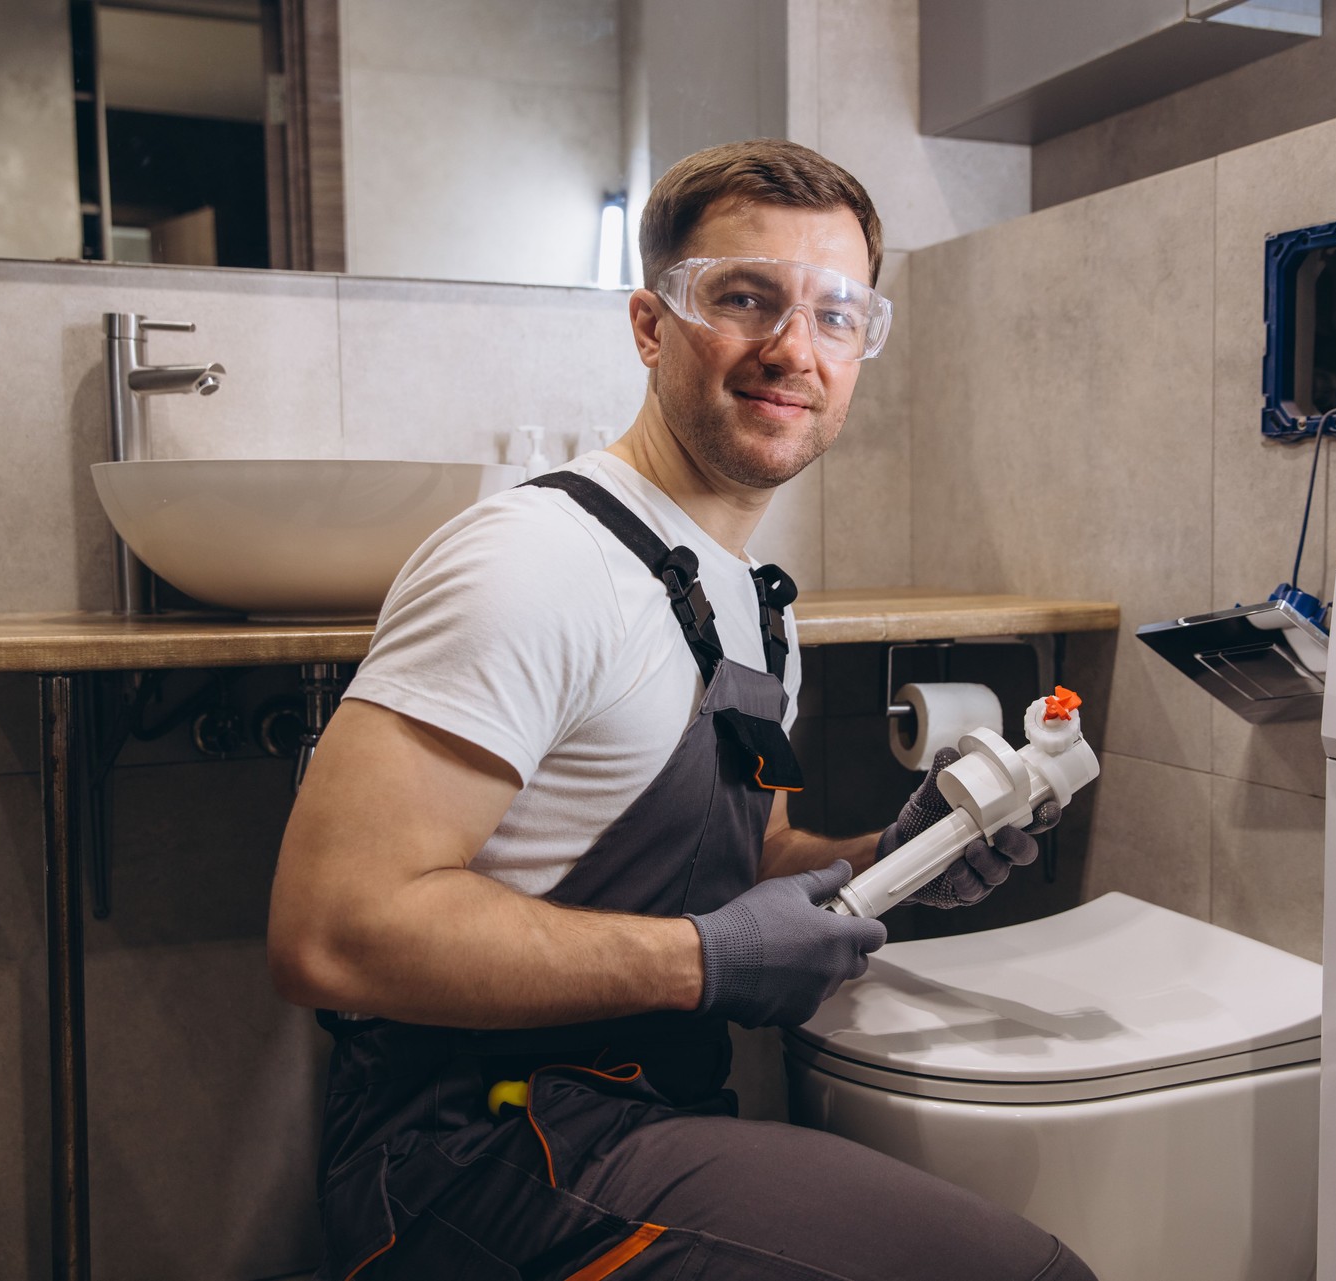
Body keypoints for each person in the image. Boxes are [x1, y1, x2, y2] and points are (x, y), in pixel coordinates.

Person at [268, 139, 1094, 1281]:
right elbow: (332, 933)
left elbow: (737, 860)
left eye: (836, 315)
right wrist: (705, 963)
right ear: (652, 325)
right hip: (473, 1142)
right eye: (744, 298)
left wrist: (884, 859)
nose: (793, 350)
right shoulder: (532, 562)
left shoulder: (747, 599)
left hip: (641, 1109)